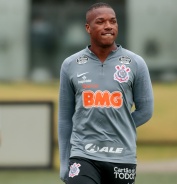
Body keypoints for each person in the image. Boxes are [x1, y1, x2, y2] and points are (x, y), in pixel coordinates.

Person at [58, 2, 154, 184]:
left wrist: (118, 125)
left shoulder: (136, 63)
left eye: (113, 21)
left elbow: (146, 110)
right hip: (83, 154)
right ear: (88, 27)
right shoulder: (70, 64)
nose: (108, 26)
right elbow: (65, 118)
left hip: (121, 156)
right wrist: (64, 162)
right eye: (100, 22)